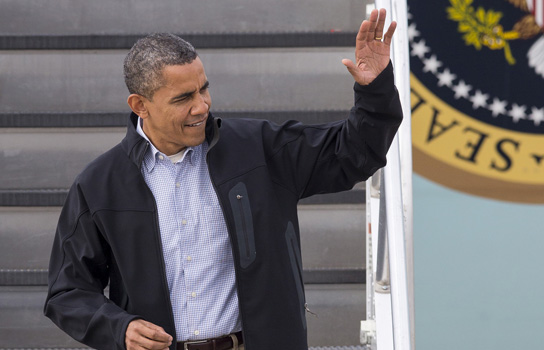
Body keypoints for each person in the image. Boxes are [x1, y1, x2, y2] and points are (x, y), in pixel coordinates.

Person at [44, 8, 401, 350]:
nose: (202, 106)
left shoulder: (260, 150)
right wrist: (119, 328)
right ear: (140, 105)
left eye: (203, 89)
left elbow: (353, 153)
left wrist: (375, 92)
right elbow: (67, 291)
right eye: (184, 98)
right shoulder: (98, 185)